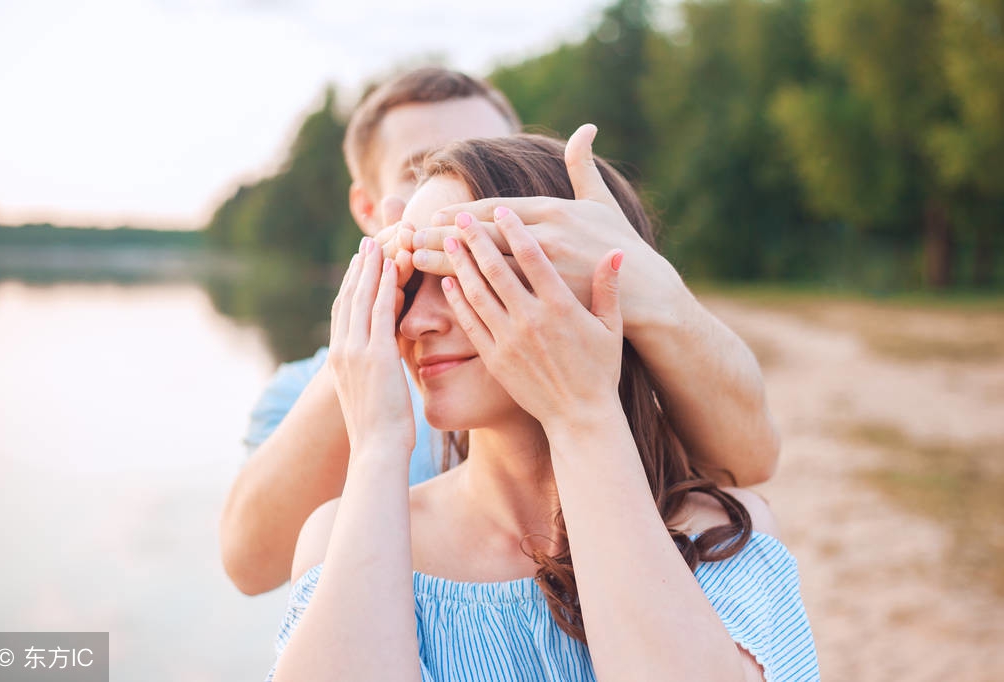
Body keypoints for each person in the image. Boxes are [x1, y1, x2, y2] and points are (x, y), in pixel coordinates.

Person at [266, 130, 817, 681]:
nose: (415, 321)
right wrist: (377, 445)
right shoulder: (342, 535)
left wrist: (581, 411)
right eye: (410, 285)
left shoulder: (720, 533)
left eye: (466, 271)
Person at [221, 67, 781, 597]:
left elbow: (747, 463)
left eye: (492, 157)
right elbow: (251, 563)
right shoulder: (301, 389)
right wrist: (369, 349)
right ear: (374, 208)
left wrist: (646, 287)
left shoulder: (617, 360)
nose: (466, 173)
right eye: (425, 169)